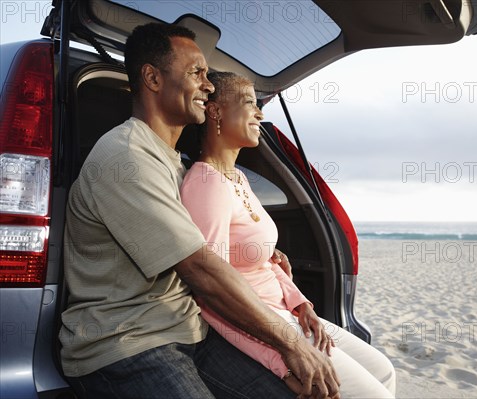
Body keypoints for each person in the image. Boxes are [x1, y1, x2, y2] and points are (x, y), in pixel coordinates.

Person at [60, 23, 340, 399]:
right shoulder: (125, 156)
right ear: (152, 78)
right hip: (128, 343)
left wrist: (261, 255)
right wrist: (292, 343)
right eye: (197, 73)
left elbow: (211, 246)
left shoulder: (176, 165)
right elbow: (201, 269)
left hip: (190, 329)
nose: (208, 86)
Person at [180, 71, 396, 398]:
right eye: (249, 103)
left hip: (287, 315)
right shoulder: (205, 183)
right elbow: (210, 294)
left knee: (384, 370)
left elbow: (265, 262)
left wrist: (301, 304)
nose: (260, 113)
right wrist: (282, 361)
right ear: (216, 111)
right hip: (264, 327)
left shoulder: (237, 178)